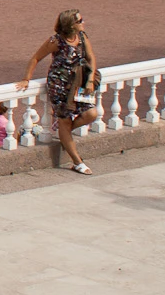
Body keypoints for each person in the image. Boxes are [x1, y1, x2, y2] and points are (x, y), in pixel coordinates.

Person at [15, 9, 101, 174]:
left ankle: (64, 134)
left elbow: (91, 57)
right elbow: (35, 58)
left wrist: (90, 79)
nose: (83, 22)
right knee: (65, 121)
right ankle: (78, 162)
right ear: (71, 24)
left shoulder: (82, 37)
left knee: (91, 114)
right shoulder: (56, 41)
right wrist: (26, 78)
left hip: (78, 84)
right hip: (59, 86)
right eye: (80, 20)